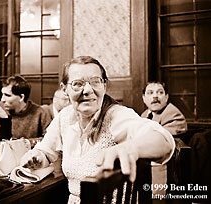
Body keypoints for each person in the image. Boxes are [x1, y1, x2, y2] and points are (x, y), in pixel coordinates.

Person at [19, 56, 175, 204]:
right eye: (78, 84)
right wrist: (37, 156)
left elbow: (163, 140)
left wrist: (131, 148)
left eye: (95, 81)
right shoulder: (64, 116)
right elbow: (46, 150)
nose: (87, 90)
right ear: (64, 89)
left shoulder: (116, 115)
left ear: (104, 86)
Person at [0, 75, 52, 140]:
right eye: (2, 94)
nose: (2, 99)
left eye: (7, 95)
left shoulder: (40, 113)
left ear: (21, 97)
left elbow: (50, 139)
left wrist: (22, 143)